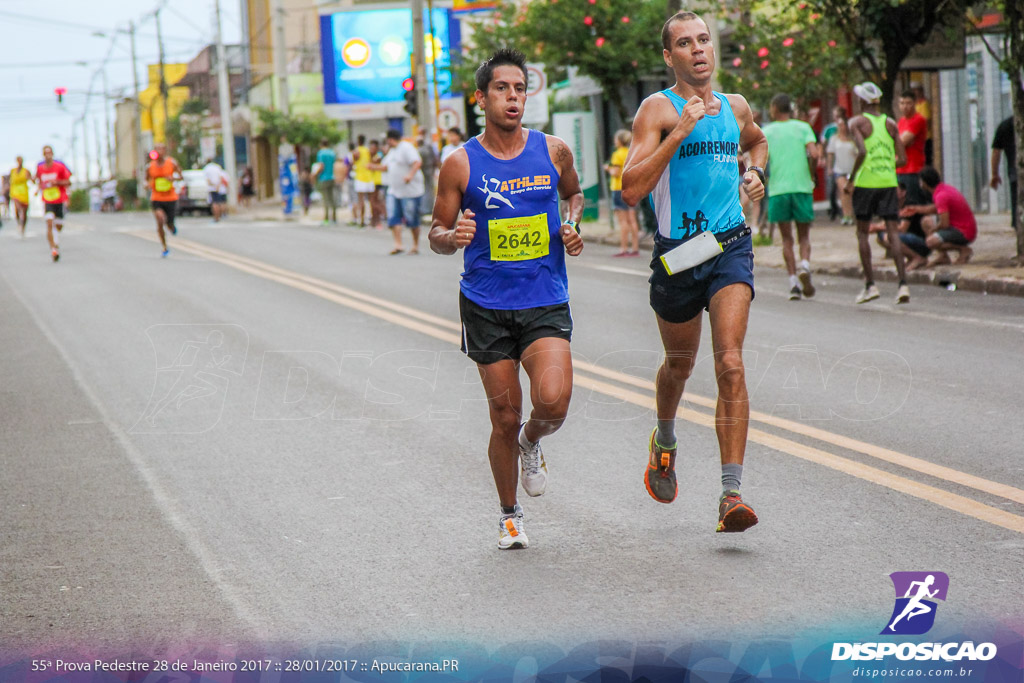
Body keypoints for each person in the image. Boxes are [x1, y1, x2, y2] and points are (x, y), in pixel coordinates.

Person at [428, 48, 584, 550]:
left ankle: (532, 442)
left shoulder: (554, 150)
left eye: (519, 89)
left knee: (553, 401)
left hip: (543, 298)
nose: (513, 97)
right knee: (502, 416)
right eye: (502, 89)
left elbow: (574, 195)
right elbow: (435, 229)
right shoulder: (459, 163)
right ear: (481, 98)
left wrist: (572, 225)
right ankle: (509, 514)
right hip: (486, 304)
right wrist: (452, 237)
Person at [621, 11, 767, 533]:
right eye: (685, 43)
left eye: (704, 39)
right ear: (670, 57)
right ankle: (664, 438)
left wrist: (754, 174)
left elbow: (757, 141)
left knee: (730, 362)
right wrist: (678, 132)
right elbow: (632, 188)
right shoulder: (655, 110)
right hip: (678, 256)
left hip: (729, 245)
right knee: (678, 367)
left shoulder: (735, 107)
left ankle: (731, 494)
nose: (698, 49)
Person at [845, 81, 910, 305]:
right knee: (893, 232)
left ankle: (870, 285)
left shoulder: (856, 122)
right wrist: (885, 165)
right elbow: (903, 159)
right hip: (888, 182)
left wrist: (851, 179)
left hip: (865, 184)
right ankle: (903, 285)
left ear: (862, 101)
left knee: (863, 234)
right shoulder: (890, 123)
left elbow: (862, 151)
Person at [763, 92, 818, 300]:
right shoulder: (803, 127)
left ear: (775, 108)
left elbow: (760, 156)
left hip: (779, 190)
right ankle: (805, 264)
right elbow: (814, 154)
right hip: (802, 187)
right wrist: (811, 174)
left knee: (786, 238)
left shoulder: (768, 131)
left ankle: (793, 282)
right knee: (804, 235)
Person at [900, 166, 977, 268]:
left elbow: (944, 224)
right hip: (961, 228)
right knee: (925, 222)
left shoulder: (941, 196)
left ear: (924, 183)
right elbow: (935, 208)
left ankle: (963, 249)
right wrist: (916, 209)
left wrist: (934, 230)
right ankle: (943, 256)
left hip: (963, 231)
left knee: (930, 242)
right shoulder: (943, 189)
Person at [372, 129, 425, 254]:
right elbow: (386, 167)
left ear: (390, 139)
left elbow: (417, 162)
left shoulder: (406, 148)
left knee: (412, 218)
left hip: (410, 191)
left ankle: (415, 245)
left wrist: (410, 175)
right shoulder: (392, 151)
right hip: (394, 190)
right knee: (393, 217)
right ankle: (398, 244)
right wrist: (373, 167)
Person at [605, 129, 640, 256]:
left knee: (623, 221)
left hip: (619, 188)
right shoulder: (632, 152)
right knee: (633, 220)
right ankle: (635, 248)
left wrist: (608, 168)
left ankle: (624, 248)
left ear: (619, 141)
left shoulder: (617, 154)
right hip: (632, 187)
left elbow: (615, 173)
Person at [35, 146, 72, 262]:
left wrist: (57, 182)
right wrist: (37, 189)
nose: (47, 155)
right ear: (43, 155)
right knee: (49, 224)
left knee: (58, 226)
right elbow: (38, 180)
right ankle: (53, 249)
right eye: (45, 153)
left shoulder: (59, 167)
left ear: (52, 154)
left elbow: (68, 181)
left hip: (59, 199)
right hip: (47, 200)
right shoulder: (40, 168)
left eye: (49, 153)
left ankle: (56, 240)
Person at [146, 142, 182, 258]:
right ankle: (164, 246)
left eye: (161, 149)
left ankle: (172, 227)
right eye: (157, 149)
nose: (159, 151)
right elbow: (146, 180)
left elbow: (181, 176)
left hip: (170, 197)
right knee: (160, 219)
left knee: (169, 224)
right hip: (157, 198)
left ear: (165, 151)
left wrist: (173, 178)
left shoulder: (172, 163)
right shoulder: (150, 166)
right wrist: (146, 185)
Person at [896, 89, 929, 206]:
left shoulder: (918, 120)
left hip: (913, 170)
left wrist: (899, 143)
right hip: (899, 169)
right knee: (901, 205)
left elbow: (901, 142)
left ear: (915, 103)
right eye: (902, 103)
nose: (905, 107)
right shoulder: (901, 122)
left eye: (908, 103)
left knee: (914, 204)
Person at [826, 109, 857, 225]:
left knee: (851, 192)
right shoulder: (834, 139)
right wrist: (829, 167)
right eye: (839, 125)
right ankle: (846, 215)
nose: (840, 127)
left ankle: (851, 213)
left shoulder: (853, 139)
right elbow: (830, 154)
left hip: (852, 169)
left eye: (842, 124)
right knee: (844, 190)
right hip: (839, 169)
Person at [990, 116, 1017, 230]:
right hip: (1015, 173)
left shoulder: (1005, 125)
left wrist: (994, 174)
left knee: (1017, 205)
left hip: (1015, 173)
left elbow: (996, 152)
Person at [819, 105, 844, 221]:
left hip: (844, 159)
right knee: (831, 187)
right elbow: (822, 144)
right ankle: (834, 208)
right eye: (835, 116)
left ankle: (845, 210)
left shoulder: (846, 127)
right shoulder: (829, 129)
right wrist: (822, 157)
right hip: (832, 160)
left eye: (838, 116)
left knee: (843, 187)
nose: (836, 118)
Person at [351, 135, 374, 228]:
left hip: (360, 177)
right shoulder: (368, 150)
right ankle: (371, 219)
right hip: (369, 176)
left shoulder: (357, 150)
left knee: (361, 200)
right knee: (370, 200)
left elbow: (354, 160)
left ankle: (362, 220)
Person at [314, 139, 337, 224]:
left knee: (326, 199)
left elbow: (321, 166)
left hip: (324, 178)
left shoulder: (321, 153)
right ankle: (334, 218)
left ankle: (326, 218)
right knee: (332, 198)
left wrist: (315, 174)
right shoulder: (332, 153)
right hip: (332, 176)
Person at [9, 156, 33, 237]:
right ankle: (19, 223)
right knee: (17, 208)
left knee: (25, 211)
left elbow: (32, 180)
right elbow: (9, 181)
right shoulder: (13, 171)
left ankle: (23, 226)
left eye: (21, 161)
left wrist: (30, 178)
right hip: (15, 192)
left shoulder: (26, 171)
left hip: (24, 192)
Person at [203, 158, 230, 223]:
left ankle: (216, 217)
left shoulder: (207, 168)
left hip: (212, 188)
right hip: (219, 188)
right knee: (221, 202)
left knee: (214, 203)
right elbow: (221, 178)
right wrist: (218, 186)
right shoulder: (217, 167)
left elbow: (208, 180)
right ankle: (221, 215)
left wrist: (213, 185)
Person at [417, 132, 438, 214]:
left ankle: (425, 208)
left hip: (424, 171)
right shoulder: (428, 148)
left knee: (426, 190)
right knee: (429, 190)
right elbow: (435, 159)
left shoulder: (420, 150)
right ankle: (428, 207)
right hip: (429, 170)